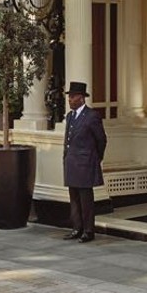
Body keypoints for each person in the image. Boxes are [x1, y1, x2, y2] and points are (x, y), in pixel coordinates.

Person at [62, 80, 106, 243]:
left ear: (81, 98)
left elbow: (101, 140)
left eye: (72, 97)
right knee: (74, 199)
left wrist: (95, 158)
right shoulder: (70, 116)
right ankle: (77, 228)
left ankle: (88, 230)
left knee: (86, 200)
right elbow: (67, 140)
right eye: (69, 96)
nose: (69, 99)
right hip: (72, 162)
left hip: (86, 163)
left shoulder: (92, 116)